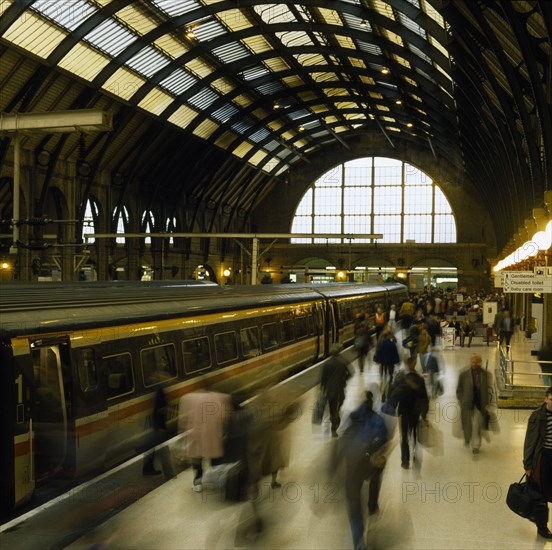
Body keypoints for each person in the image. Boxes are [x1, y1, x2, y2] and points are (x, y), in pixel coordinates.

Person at [339, 391, 389, 550]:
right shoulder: (378, 419)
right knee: (376, 477)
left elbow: (343, 437)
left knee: (354, 504)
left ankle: (359, 543)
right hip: (368, 464)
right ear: (372, 403)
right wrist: (371, 450)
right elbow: (383, 437)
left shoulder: (352, 417)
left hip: (352, 466)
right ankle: (372, 505)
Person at [178, 387, 232, 492]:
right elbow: (224, 416)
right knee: (214, 458)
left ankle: (198, 483)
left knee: (197, 460)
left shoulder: (187, 398)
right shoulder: (219, 397)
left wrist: (181, 431)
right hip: (212, 434)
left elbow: (183, 418)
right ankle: (215, 481)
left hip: (196, 435)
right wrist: (224, 432)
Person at [388, 356, 429, 469]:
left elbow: (392, 394)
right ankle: (415, 457)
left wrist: (392, 407)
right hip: (415, 413)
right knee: (415, 436)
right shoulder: (419, 379)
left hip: (404, 412)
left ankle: (405, 461)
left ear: (406, 365)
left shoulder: (400, 378)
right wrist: (424, 414)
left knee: (404, 436)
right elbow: (424, 398)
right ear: (414, 364)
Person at [523, 386, 552, 539]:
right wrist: (527, 465)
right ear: (546, 399)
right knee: (541, 494)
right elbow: (530, 442)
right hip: (544, 458)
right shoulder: (537, 416)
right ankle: (542, 527)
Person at [456, 353, 494, 454]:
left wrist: (489, 403)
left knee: (477, 424)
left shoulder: (485, 374)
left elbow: (489, 389)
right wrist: (461, 400)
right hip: (467, 403)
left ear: (479, 363)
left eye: (476, 362)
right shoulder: (463, 374)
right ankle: (467, 438)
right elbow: (459, 389)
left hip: (480, 403)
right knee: (468, 424)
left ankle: (476, 445)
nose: (473, 364)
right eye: (472, 362)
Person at [142, 381, 176, 479]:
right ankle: (169, 474)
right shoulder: (160, 391)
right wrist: (170, 410)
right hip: (159, 425)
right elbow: (159, 409)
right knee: (164, 451)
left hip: (156, 425)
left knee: (151, 447)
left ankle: (147, 469)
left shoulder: (159, 390)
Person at [320, 344, 351, 437]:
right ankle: (334, 424)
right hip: (339, 389)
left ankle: (333, 418)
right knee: (338, 404)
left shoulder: (327, 364)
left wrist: (323, 388)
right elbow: (350, 374)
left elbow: (323, 379)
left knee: (331, 407)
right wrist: (344, 380)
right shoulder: (342, 363)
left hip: (330, 391)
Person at [374, 326, 400, 400]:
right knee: (390, 377)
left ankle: (383, 393)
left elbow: (377, 353)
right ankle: (389, 393)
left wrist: (378, 360)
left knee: (383, 377)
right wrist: (397, 361)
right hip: (390, 363)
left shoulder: (380, 342)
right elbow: (395, 353)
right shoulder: (392, 342)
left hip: (382, 364)